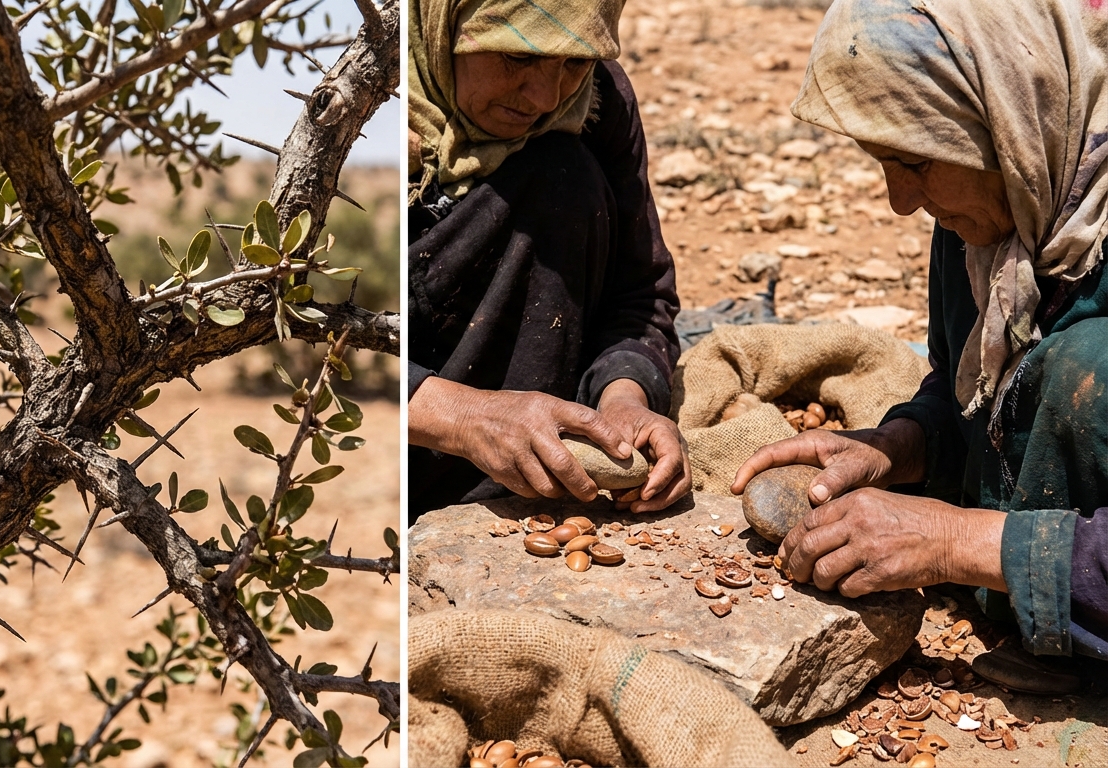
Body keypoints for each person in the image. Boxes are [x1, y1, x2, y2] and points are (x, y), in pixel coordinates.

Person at [731, 0, 1108, 693]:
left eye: (916, 162)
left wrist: (953, 543)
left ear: (1013, 121)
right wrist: (903, 444)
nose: (901, 202)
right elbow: (985, 391)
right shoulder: (990, 224)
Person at [405, 0, 690, 522]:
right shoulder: (372, 109)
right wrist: (467, 418)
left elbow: (640, 295)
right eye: (516, 56)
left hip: (541, 468)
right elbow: (328, 339)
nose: (545, 97)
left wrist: (624, 397)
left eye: (573, 62)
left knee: (563, 173)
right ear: (447, 23)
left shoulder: (596, 97)